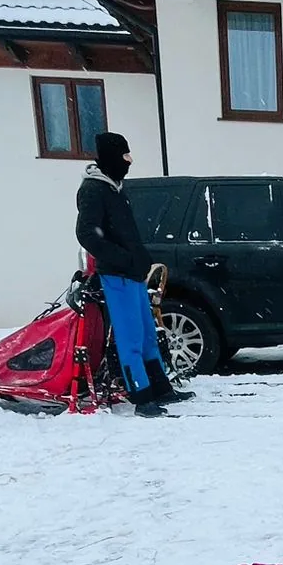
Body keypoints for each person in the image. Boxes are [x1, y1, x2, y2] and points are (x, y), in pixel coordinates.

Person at [74, 133, 183, 416]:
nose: (130, 161)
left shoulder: (115, 189)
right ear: (111, 157)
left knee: (148, 333)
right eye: (125, 156)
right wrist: (123, 259)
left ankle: (161, 389)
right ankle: (141, 396)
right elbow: (86, 233)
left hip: (134, 274)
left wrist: (141, 258)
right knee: (130, 337)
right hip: (117, 276)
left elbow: (124, 234)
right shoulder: (94, 190)